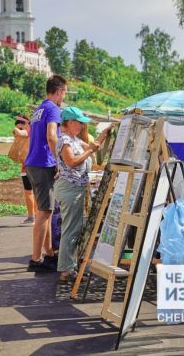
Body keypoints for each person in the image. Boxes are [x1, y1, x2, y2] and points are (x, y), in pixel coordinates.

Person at [55, 107, 113, 282]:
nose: (82, 126)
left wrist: (104, 134)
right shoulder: (65, 140)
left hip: (75, 189)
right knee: (71, 230)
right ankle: (66, 270)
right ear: (70, 122)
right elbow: (71, 162)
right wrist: (90, 151)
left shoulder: (73, 139)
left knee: (75, 228)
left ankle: (70, 267)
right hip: (70, 189)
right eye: (79, 123)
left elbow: (94, 146)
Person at [25, 75, 68, 272]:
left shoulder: (39, 109)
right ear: (59, 91)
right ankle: (35, 260)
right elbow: (52, 136)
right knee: (43, 213)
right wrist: (59, 162)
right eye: (64, 92)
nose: (64, 96)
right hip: (44, 164)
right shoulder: (53, 109)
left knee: (47, 210)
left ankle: (49, 254)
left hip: (33, 163)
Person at [13, 116, 35, 224]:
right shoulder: (34, 130)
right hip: (29, 165)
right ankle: (34, 216)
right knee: (33, 192)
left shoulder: (29, 130)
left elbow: (21, 133)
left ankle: (32, 217)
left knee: (29, 192)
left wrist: (16, 130)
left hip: (28, 166)